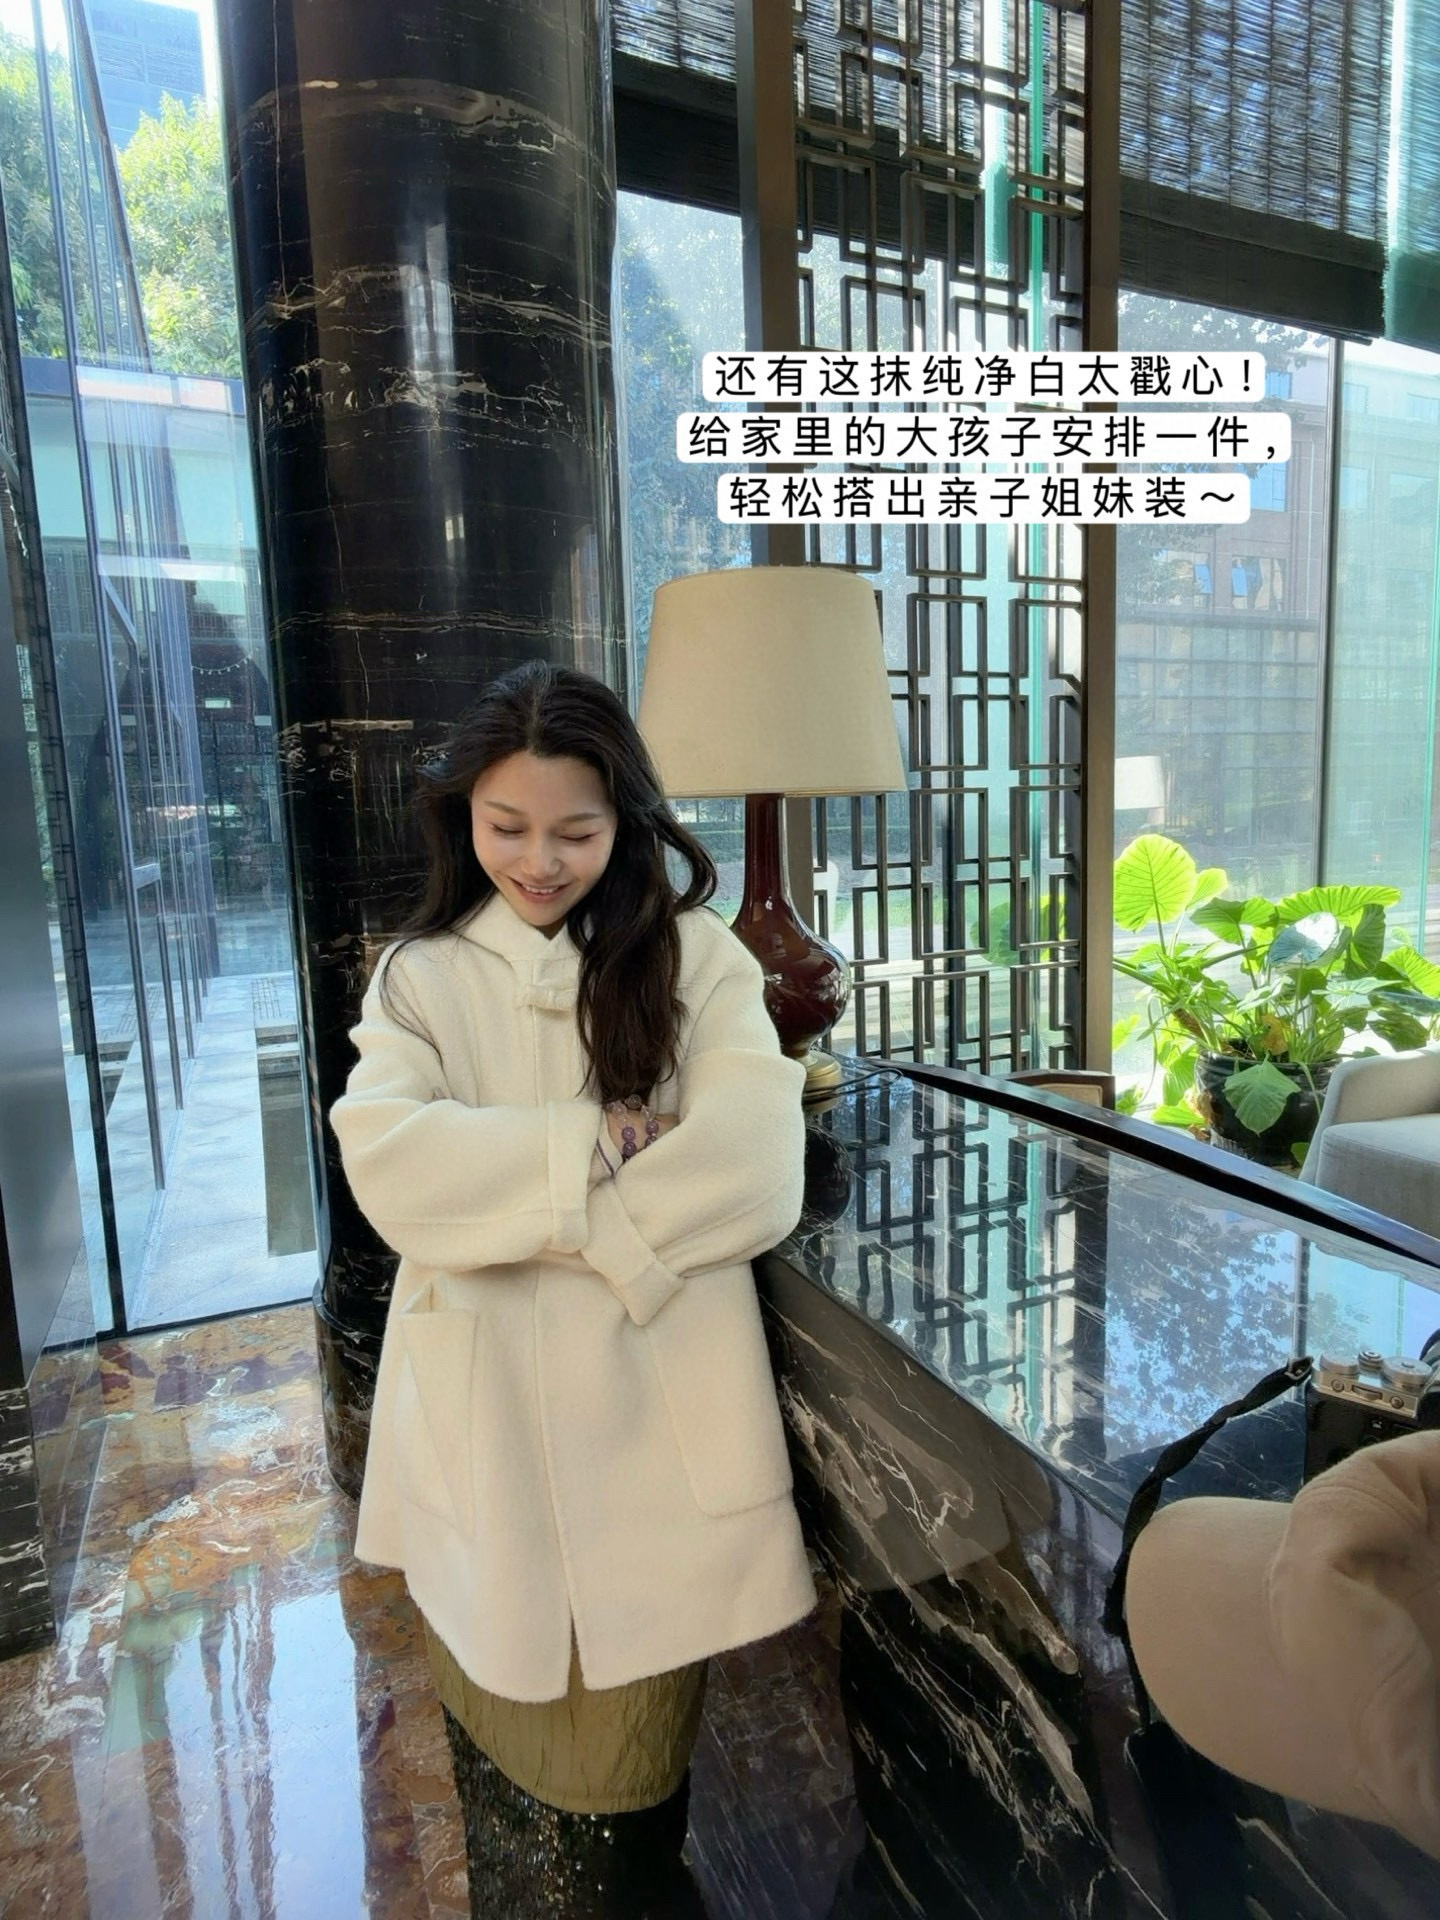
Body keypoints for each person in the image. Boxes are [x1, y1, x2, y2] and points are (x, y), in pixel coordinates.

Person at [330, 659, 817, 1914]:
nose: (538, 862)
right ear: (464, 817)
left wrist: (531, 1218)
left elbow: (757, 1168)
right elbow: (391, 1172)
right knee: (504, 1789)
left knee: (623, 1813)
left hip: (647, 1432)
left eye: (576, 832)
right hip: (480, 1440)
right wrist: (593, 1144)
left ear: (627, 823)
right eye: (507, 827)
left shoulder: (696, 957)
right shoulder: (420, 976)